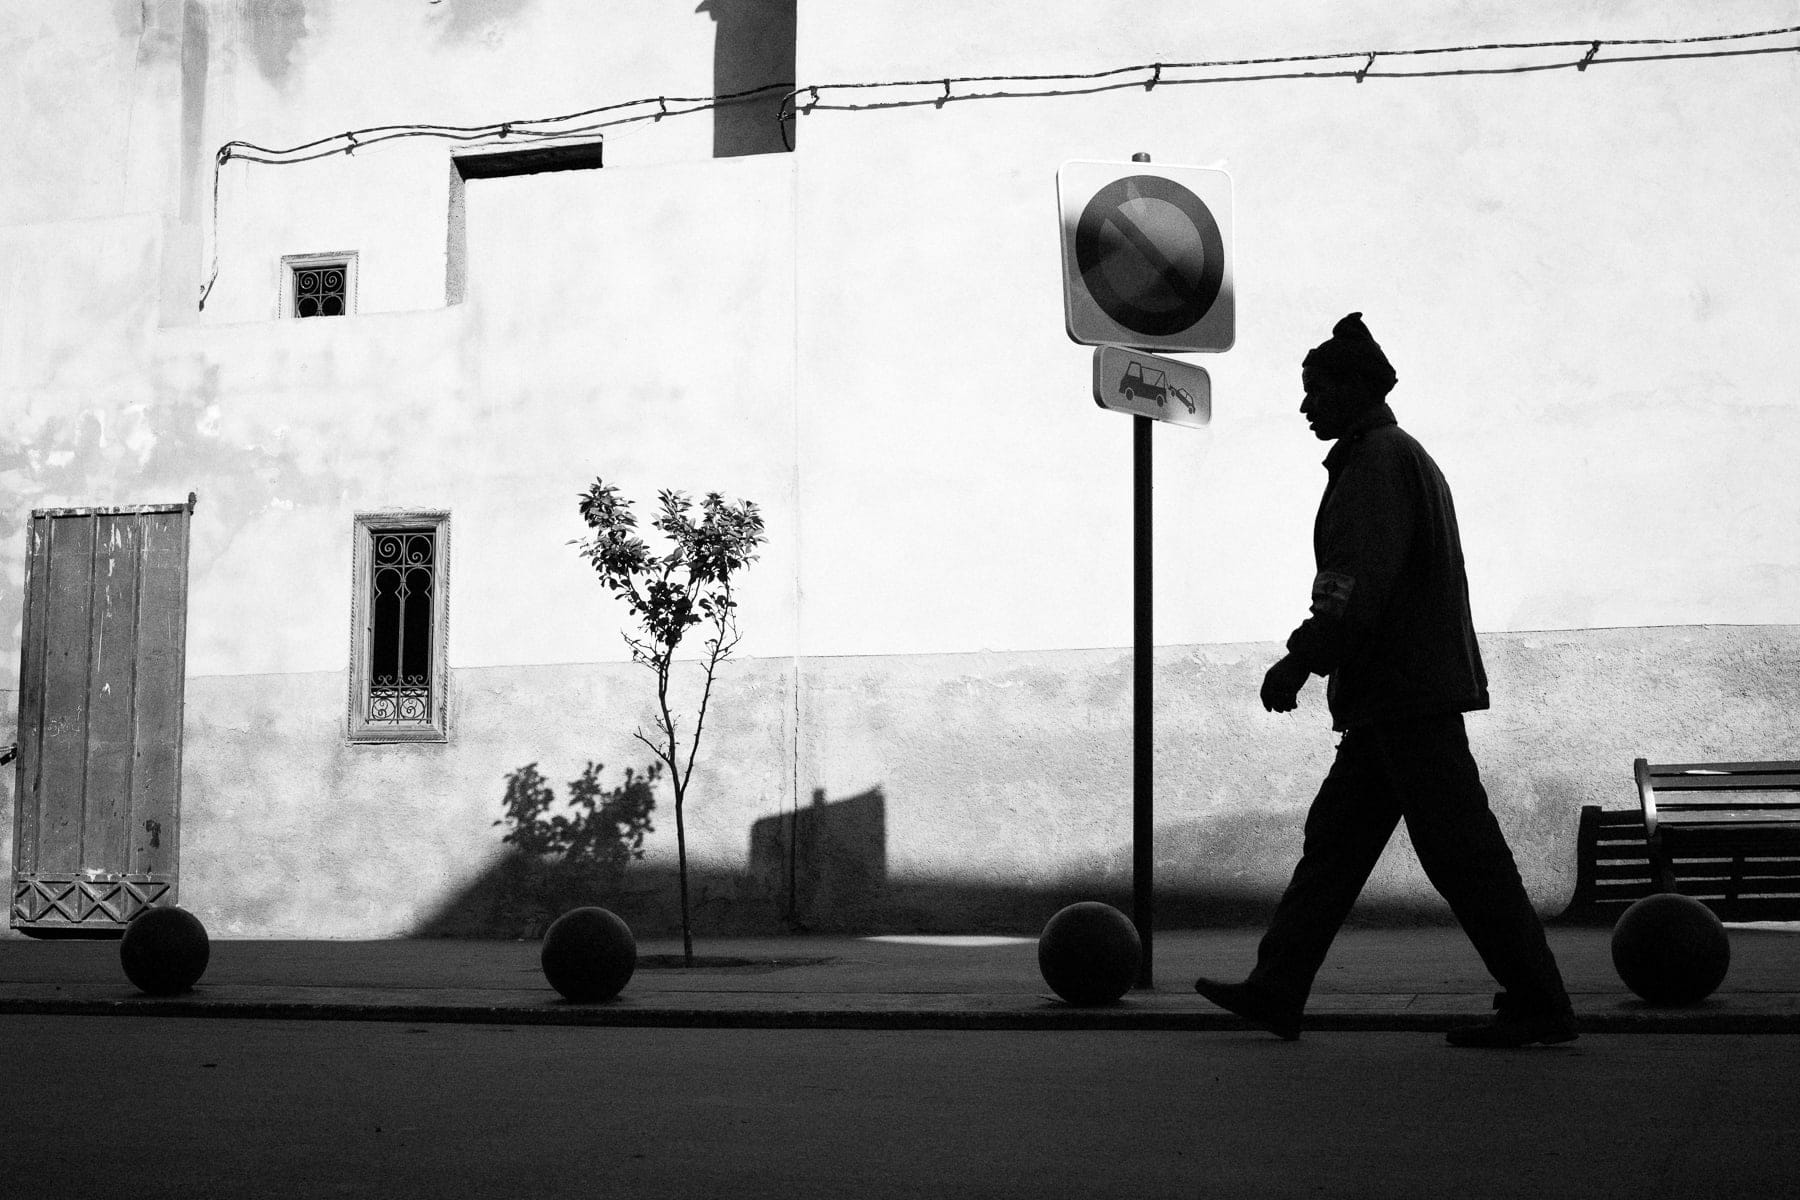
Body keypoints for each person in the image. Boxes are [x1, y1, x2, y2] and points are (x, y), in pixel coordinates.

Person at [1193, 312, 1576, 1048]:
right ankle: (1278, 987)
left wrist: (1302, 657)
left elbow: (1352, 586)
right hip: (1391, 700)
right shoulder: (1399, 456)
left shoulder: (1373, 465)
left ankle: (1541, 1000)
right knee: (1336, 844)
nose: (1305, 407)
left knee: (1463, 856)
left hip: (1405, 697)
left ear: (1353, 390)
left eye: (1315, 391)